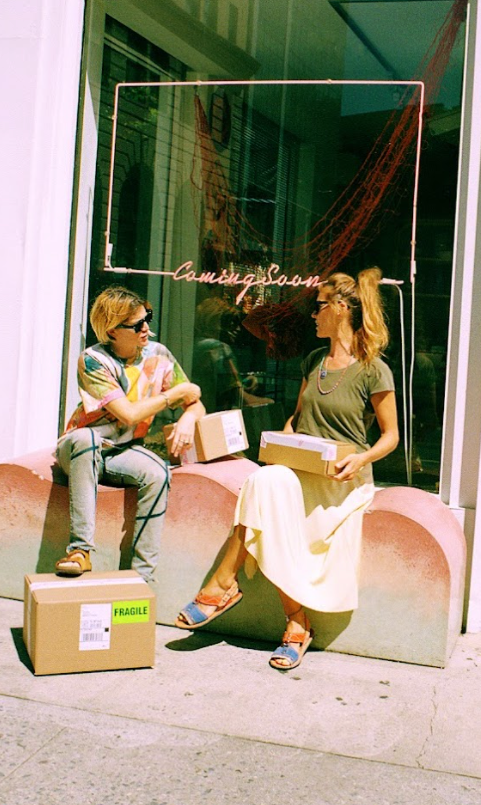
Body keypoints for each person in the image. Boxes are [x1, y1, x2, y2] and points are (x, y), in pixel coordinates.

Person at [174, 268, 399, 671]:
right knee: (264, 478)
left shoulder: (373, 369)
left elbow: (390, 437)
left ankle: (286, 618)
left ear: (342, 308)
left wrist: (361, 460)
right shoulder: (314, 360)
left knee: (272, 507)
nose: (313, 316)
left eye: (319, 307)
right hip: (301, 471)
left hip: (341, 481)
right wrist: (282, 443)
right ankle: (242, 593)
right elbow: (298, 419)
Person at [54, 286, 204, 583]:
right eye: (137, 325)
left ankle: (141, 578)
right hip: (81, 448)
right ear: (112, 331)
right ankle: (79, 551)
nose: (147, 328)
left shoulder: (158, 355)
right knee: (88, 440)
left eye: (147, 318)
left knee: (158, 474)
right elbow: (129, 414)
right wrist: (174, 395)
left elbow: (196, 400)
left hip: (122, 452)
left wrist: (188, 417)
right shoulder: (93, 360)